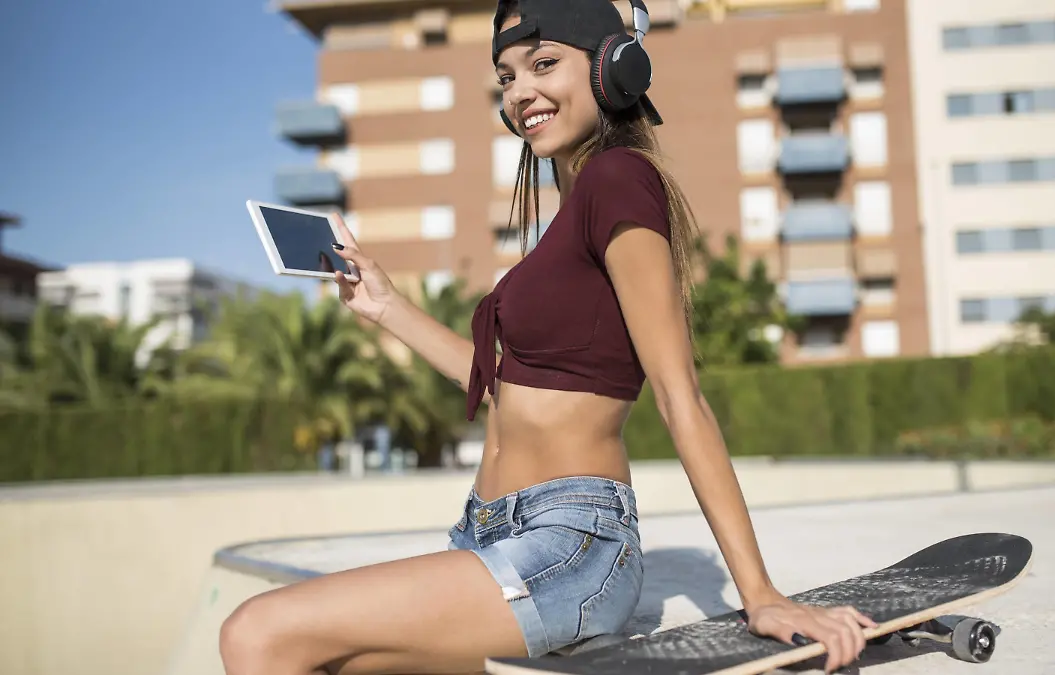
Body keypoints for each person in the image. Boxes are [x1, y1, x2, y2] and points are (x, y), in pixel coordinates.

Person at [217, 0, 875, 673]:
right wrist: (386, 306)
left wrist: (760, 593)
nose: (521, 90)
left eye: (543, 63)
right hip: (486, 531)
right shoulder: (564, 222)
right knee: (322, 658)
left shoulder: (621, 181)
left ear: (613, 69)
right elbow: (506, 387)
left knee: (257, 633)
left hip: (571, 543)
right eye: (506, 76)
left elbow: (682, 395)